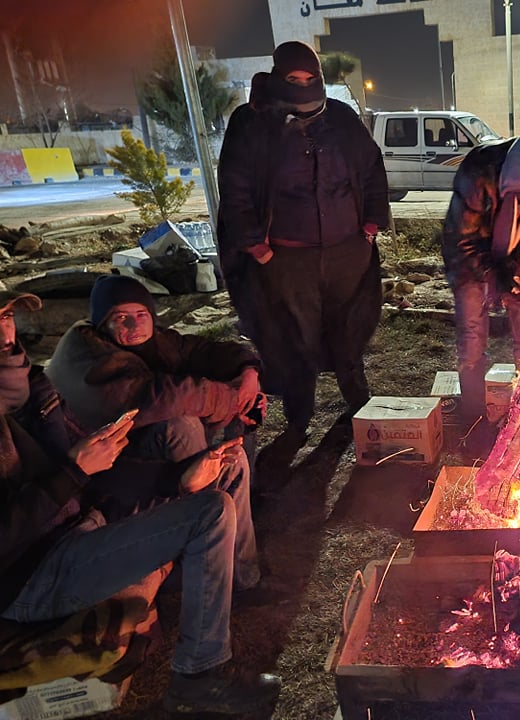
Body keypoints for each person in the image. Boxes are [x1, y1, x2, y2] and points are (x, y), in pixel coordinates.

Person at [0, 290, 281, 715]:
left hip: (81, 520)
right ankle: (199, 675)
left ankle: (238, 584)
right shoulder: (78, 365)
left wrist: (177, 479)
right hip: (32, 577)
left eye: (5, 315)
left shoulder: (28, 386)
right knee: (210, 512)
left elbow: (89, 480)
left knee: (229, 462)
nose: (6, 331)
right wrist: (75, 472)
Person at [217, 40, 389, 461]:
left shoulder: (342, 119)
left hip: (347, 252)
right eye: (294, 79)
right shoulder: (251, 124)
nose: (303, 86)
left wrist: (368, 227)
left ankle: (358, 402)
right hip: (287, 258)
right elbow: (237, 189)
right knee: (295, 337)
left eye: (311, 79)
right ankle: (299, 418)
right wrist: (258, 249)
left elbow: (371, 169)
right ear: (277, 78)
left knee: (348, 328)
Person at [45, 274, 262, 589]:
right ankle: (206, 536)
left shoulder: (144, 340)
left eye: (141, 315)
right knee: (182, 424)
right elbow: (157, 397)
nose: (134, 326)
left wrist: (247, 371)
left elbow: (197, 350)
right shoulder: (89, 359)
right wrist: (232, 399)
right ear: (102, 322)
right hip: (99, 478)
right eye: (122, 318)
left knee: (233, 429)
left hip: (129, 449)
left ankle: (240, 565)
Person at [442, 125, 520, 427]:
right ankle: (474, 416)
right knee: (472, 333)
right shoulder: (479, 171)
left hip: (519, 252)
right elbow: (462, 240)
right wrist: (494, 275)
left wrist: (512, 270)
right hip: (469, 255)